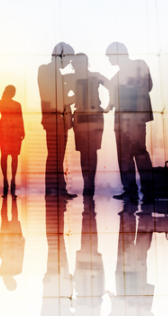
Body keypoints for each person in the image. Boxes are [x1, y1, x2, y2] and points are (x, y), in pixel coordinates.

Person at [106, 42, 154, 199]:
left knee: (138, 151)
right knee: (124, 154)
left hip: (134, 115)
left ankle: (145, 188)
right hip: (121, 117)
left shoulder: (138, 65)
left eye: (110, 56)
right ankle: (131, 189)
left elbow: (148, 85)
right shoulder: (116, 77)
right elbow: (112, 101)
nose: (109, 60)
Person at [68, 53, 109, 195]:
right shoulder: (75, 77)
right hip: (86, 116)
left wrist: (109, 105)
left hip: (90, 116)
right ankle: (88, 183)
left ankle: (89, 184)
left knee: (89, 151)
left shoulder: (76, 77)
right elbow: (111, 86)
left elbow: (111, 87)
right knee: (87, 151)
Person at [37, 42, 75, 196]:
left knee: (58, 156)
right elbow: (54, 97)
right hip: (54, 120)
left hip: (58, 120)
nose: (70, 63)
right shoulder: (46, 70)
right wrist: (74, 97)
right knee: (55, 156)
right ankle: (54, 189)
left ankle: (59, 189)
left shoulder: (55, 73)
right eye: (69, 59)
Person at [0, 85, 24, 197]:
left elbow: (20, 117)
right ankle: (6, 180)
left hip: (13, 130)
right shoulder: (1, 102)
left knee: (13, 156)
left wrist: (22, 131)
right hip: (6, 130)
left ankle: (12, 180)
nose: (14, 93)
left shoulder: (16, 104)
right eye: (13, 91)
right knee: (5, 155)